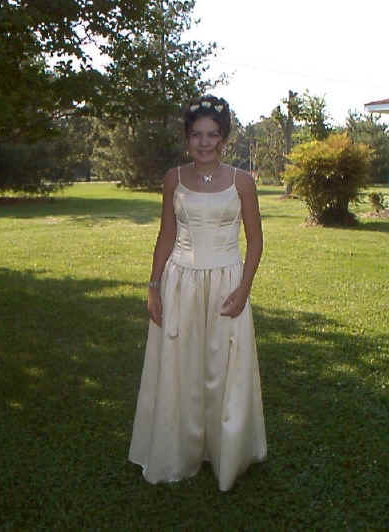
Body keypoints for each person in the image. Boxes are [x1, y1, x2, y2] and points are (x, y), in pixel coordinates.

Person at [128, 95, 267, 491]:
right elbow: (166, 234)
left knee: (224, 365)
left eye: (212, 134)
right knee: (180, 364)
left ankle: (226, 449)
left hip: (227, 282)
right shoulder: (173, 178)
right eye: (196, 135)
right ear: (187, 138)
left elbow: (255, 241)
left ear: (223, 137)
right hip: (181, 282)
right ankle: (179, 448)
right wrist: (153, 286)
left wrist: (244, 288)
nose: (204, 143)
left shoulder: (242, 182)